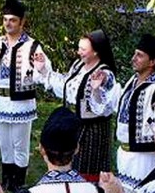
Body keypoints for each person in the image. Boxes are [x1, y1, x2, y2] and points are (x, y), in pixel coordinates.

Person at [0, 0, 49, 193]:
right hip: (0, 101)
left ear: (22, 22)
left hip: (21, 102)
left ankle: (18, 183)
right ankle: (6, 180)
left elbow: (43, 72)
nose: (8, 23)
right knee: (4, 143)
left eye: (13, 20)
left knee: (19, 144)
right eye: (5, 19)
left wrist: (41, 67)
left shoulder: (32, 46)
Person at [34, 30, 118, 183]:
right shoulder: (78, 65)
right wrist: (44, 70)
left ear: (96, 51)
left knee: (88, 168)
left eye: (83, 49)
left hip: (92, 131)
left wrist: (96, 89)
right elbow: (65, 85)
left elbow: (105, 105)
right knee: (68, 163)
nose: (79, 52)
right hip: (72, 125)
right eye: (79, 48)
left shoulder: (105, 74)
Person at [105, 34, 155, 192]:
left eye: (139, 55)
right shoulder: (132, 81)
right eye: (135, 54)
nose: (133, 58)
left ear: (153, 61)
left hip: (145, 159)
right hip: (125, 155)